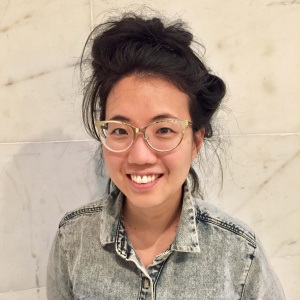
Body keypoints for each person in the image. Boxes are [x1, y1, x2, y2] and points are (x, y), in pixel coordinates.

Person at [47, 12, 285, 299]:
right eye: (120, 130)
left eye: (164, 130)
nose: (140, 155)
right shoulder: (72, 239)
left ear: (196, 141)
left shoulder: (239, 252)